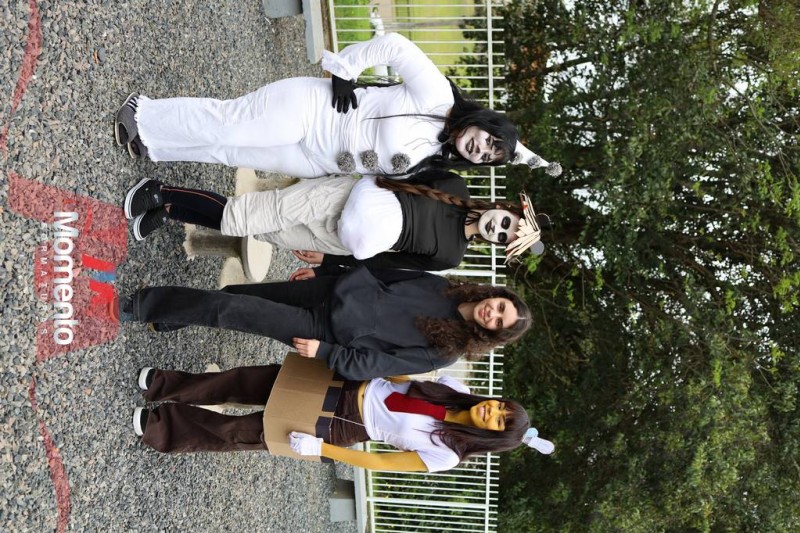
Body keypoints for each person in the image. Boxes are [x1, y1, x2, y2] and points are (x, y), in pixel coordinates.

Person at [113, 32, 561, 178]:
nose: (480, 150)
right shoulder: (438, 97)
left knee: (231, 152)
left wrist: (528, 158)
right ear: (484, 121)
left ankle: (157, 144)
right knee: (230, 124)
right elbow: (396, 45)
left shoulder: (436, 157)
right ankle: (143, 113)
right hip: (314, 111)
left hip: (316, 159)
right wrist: (346, 71)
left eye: (487, 157)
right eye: (488, 140)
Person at [117, 267, 531, 380]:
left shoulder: (446, 352)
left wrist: (328, 353)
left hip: (322, 332)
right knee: (237, 293)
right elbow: (381, 269)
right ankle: (175, 313)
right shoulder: (445, 287)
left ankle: (143, 305)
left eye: (499, 321)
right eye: (500, 306)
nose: (492, 313)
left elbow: (379, 365)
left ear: (494, 334)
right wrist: (326, 268)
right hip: (331, 290)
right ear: (494, 295)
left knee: (231, 311)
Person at [130, 366, 555, 471]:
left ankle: (161, 427)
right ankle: (165, 386)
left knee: (241, 431)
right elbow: (400, 375)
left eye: (498, 422)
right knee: (244, 381)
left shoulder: (448, 454)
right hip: (345, 382)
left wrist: (323, 449)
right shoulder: (453, 388)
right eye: (501, 406)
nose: (492, 411)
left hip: (344, 425)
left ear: (492, 437)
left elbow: (380, 461)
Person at [122, 169, 547, 271]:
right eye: (507, 221)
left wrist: (330, 260)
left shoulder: (451, 256)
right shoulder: (455, 185)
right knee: (247, 215)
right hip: (348, 196)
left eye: (504, 236)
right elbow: (401, 168)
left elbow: (388, 261)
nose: (499, 228)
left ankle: (173, 212)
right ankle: (162, 191)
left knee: (258, 228)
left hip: (342, 240)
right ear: (505, 208)